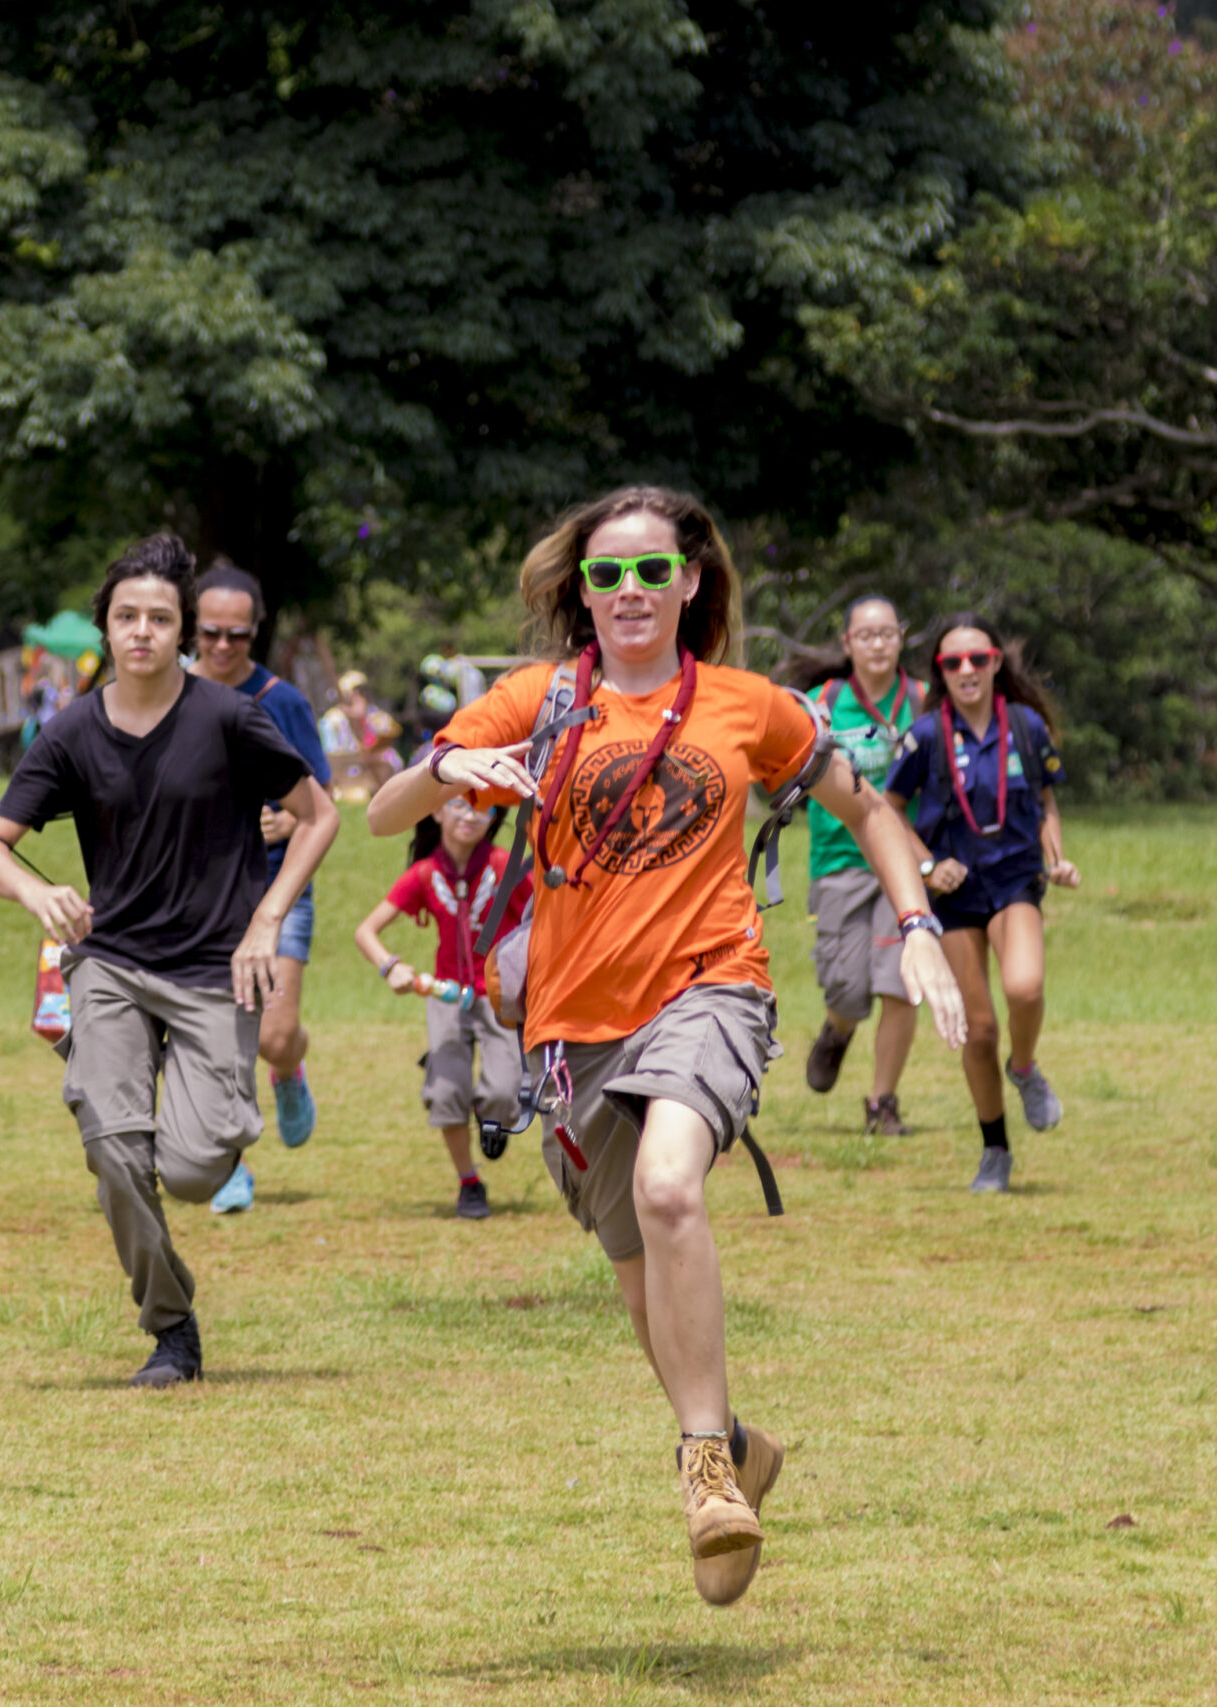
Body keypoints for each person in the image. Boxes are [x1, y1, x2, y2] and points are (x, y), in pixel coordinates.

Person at [368, 484, 964, 1606]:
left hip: (709, 993)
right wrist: (446, 771)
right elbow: (381, 813)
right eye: (606, 574)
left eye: (652, 572)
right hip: (568, 1030)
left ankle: (699, 1473)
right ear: (579, 592)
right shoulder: (537, 699)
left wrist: (919, 926)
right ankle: (735, 1444)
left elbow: (873, 811)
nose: (630, 591)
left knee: (671, 1188)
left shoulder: (751, 706)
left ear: (691, 582)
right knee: (644, 1288)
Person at [0, 533, 337, 1387]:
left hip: (217, 967)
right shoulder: (70, 731)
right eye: (127, 615)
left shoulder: (230, 717)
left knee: (194, 1170)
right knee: (113, 1144)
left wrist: (266, 921)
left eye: (160, 618)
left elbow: (317, 815)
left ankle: (218, 1126)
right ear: (106, 626)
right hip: (112, 963)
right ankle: (172, 1326)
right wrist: (36, 891)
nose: (142, 630)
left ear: (183, 630)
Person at [883, 613, 1078, 1194]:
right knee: (978, 1030)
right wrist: (925, 864)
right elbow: (888, 809)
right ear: (941, 673)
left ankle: (1025, 1069)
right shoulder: (923, 735)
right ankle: (995, 1150)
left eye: (977, 659)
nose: (966, 670)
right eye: (952, 662)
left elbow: (1046, 804)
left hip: (1016, 879)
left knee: (1024, 987)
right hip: (956, 892)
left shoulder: (1025, 726)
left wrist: (1057, 857)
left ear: (996, 662)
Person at [186, 562, 334, 1166]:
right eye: (210, 632)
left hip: (278, 886)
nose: (222, 646)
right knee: (216, 1035)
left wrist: (288, 821)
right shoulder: (169, 693)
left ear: (256, 632)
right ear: (192, 628)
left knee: (271, 1035)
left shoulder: (282, 702)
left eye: (237, 635)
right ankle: (229, 1164)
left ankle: (290, 1069)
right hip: (198, 890)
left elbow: (320, 802)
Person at [352, 795, 530, 1219]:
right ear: (435, 812)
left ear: (495, 816)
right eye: (457, 805)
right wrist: (389, 966)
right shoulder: (425, 873)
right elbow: (366, 931)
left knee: (505, 1094)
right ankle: (468, 1182)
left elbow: (547, 915)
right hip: (446, 996)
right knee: (447, 1093)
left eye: (482, 807)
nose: (469, 815)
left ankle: (490, 1112)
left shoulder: (506, 867)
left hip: (498, 995)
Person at [787, 598, 926, 1135]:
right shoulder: (826, 700)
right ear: (847, 643)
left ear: (901, 637)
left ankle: (882, 1103)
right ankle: (838, 1030)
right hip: (839, 860)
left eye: (886, 633)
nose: (877, 643)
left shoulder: (921, 700)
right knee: (847, 987)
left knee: (900, 983)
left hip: (903, 861)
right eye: (865, 635)